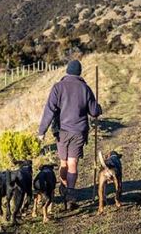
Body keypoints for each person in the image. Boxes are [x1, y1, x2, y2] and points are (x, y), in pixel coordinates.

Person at [37, 60, 101, 210]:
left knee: (63, 163)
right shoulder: (85, 88)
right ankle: (70, 194)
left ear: (67, 71)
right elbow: (94, 112)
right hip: (78, 132)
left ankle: (64, 188)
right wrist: (99, 108)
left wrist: (42, 131)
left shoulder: (58, 87)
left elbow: (49, 110)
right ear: (79, 72)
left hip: (61, 132)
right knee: (73, 164)